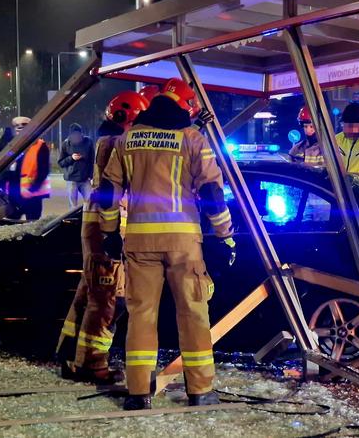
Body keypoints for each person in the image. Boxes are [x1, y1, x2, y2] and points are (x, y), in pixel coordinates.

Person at [98, 78, 236, 411]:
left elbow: (107, 190)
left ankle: (138, 393)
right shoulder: (193, 140)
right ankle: (200, 391)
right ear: (184, 105)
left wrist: (109, 231)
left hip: (139, 241)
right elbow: (213, 195)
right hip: (183, 243)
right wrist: (225, 235)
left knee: (141, 316)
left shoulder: (128, 140)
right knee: (193, 314)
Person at [56, 91, 149, 384]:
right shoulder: (116, 144)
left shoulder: (106, 142)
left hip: (96, 226)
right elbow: (118, 192)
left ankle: (70, 351)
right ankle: (91, 365)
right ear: (128, 119)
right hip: (106, 229)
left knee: (90, 294)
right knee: (109, 300)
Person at [1, 116, 51, 220]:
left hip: (32, 196)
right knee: (11, 225)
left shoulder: (40, 146)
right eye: (16, 126)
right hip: (14, 195)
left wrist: (34, 188)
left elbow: (43, 170)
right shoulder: (12, 147)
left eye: (24, 126)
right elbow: (6, 168)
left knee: (32, 227)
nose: (19, 128)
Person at [58, 123, 95, 209]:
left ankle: (88, 221)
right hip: (71, 180)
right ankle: (73, 221)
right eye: (74, 134)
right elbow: (61, 162)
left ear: (82, 134)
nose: (77, 136)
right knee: (73, 206)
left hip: (85, 179)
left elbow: (92, 160)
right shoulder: (66, 144)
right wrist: (71, 158)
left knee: (91, 202)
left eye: (78, 134)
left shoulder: (88, 142)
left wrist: (91, 175)